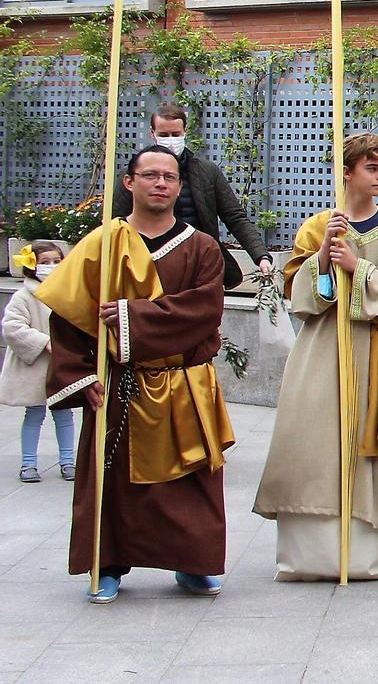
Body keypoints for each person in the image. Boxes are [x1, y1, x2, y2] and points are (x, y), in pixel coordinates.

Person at [37, 146, 233, 602]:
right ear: (129, 183)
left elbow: (204, 310)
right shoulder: (103, 244)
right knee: (113, 484)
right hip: (120, 385)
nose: (160, 183)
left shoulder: (203, 247)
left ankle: (194, 563)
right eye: (150, 175)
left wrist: (130, 315)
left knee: (192, 481)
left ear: (180, 187)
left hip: (185, 383)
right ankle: (106, 566)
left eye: (169, 177)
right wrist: (82, 375)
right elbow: (67, 316)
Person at [252, 133, 378, 580]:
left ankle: (367, 554)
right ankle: (311, 555)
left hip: (373, 351)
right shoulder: (318, 226)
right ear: (347, 172)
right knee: (315, 441)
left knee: (369, 445)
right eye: (371, 168)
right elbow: (299, 296)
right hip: (322, 346)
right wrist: (322, 257)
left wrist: (357, 267)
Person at [112, 103, 274, 290]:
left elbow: (235, 217)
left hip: (199, 263)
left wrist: (261, 256)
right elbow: (116, 222)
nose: (171, 141)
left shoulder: (206, 172)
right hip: (149, 266)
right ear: (153, 133)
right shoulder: (134, 174)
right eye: (164, 135)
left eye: (176, 134)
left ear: (185, 132)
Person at [4, 242, 75, 483]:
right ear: (31, 266)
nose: (51, 267)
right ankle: (28, 464)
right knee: (34, 414)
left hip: (61, 365)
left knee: (64, 414)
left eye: (56, 261)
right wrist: (44, 342)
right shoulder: (23, 296)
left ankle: (68, 461)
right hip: (34, 366)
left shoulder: (67, 293)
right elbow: (12, 327)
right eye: (45, 263)